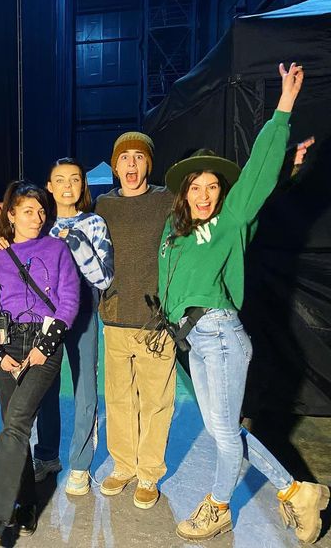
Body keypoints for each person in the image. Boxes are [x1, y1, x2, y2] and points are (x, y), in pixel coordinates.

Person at [159, 62, 329, 543]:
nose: (206, 193)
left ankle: (217, 507)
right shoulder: (175, 238)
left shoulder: (230, 221)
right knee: (223, 432)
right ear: (184, 193)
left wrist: (283, 107)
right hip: (192, 342)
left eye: (214, 185)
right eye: (197, 186)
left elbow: (255, 176)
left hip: (222, 335)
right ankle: (298, 491)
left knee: (224, 432)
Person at [0, 182, 80, 545]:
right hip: (7, 345)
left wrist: (46, 345)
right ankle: (25, 504)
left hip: (44, 342)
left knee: (18, 420)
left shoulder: (57, 249)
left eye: (41, 211)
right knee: (16, 426)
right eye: (28, 211)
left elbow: (69, 300)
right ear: (10, 215)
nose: (37, 218)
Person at [94, 130, 176, 509]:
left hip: (155, 322)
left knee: (156, 401)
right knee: (119, 398)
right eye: (124, 157)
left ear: (149, 163)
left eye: (138, 157)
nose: (131, 163)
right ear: (114, 165)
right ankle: (124, 464)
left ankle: (149, 472)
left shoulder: (167, 201)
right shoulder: (103, 205)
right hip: (114, 318)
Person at [32, 158, 114, 493]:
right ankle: (47, 455)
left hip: (82, 312)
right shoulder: (39, 223)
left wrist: (77, 243)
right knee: (45, 386)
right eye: (60, 180)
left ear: (83, 185)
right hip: (45, 316)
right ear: (49, 186)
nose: (68, 186)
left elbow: (104, 278)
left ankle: (80, 465)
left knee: (84, 387)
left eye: (75, 179)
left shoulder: (94, 223)